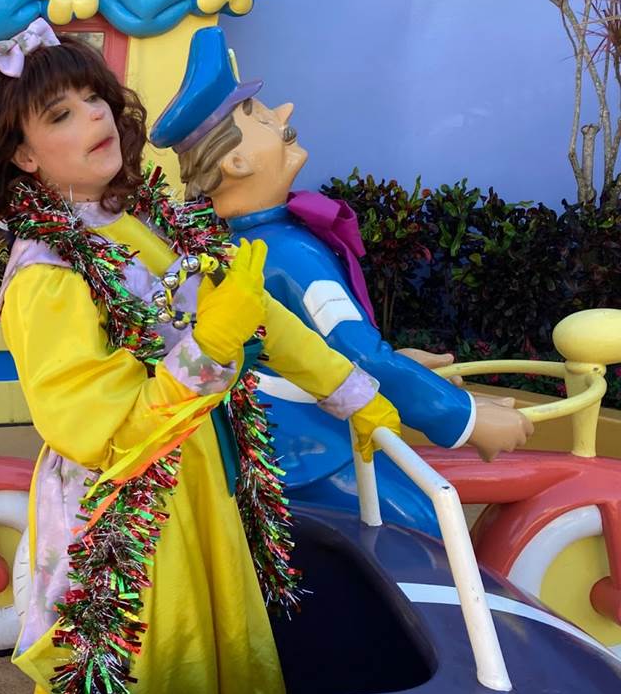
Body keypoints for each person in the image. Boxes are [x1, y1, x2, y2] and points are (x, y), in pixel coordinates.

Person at [0, 19, 402, 694]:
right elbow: (100, 430)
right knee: (162, 677)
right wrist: (211, 350)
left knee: (221, 656)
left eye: (94, 98)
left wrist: (352, 393)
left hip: (200, 478)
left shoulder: (143, 218)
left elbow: (258, 310)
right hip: (131, 519)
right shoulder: (45, 274)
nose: (94, 116)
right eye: (60, 114)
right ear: (23, 155)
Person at [152, 26, 534, 537]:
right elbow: (359, 356)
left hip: (276, 435)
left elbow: (318, 343)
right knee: (424, 529)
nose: (284, 114)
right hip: (308, 449)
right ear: (236, 163)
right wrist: (465, 419)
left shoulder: (249, 241)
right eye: (261, 117)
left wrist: (401, 364)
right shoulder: (288, 253)